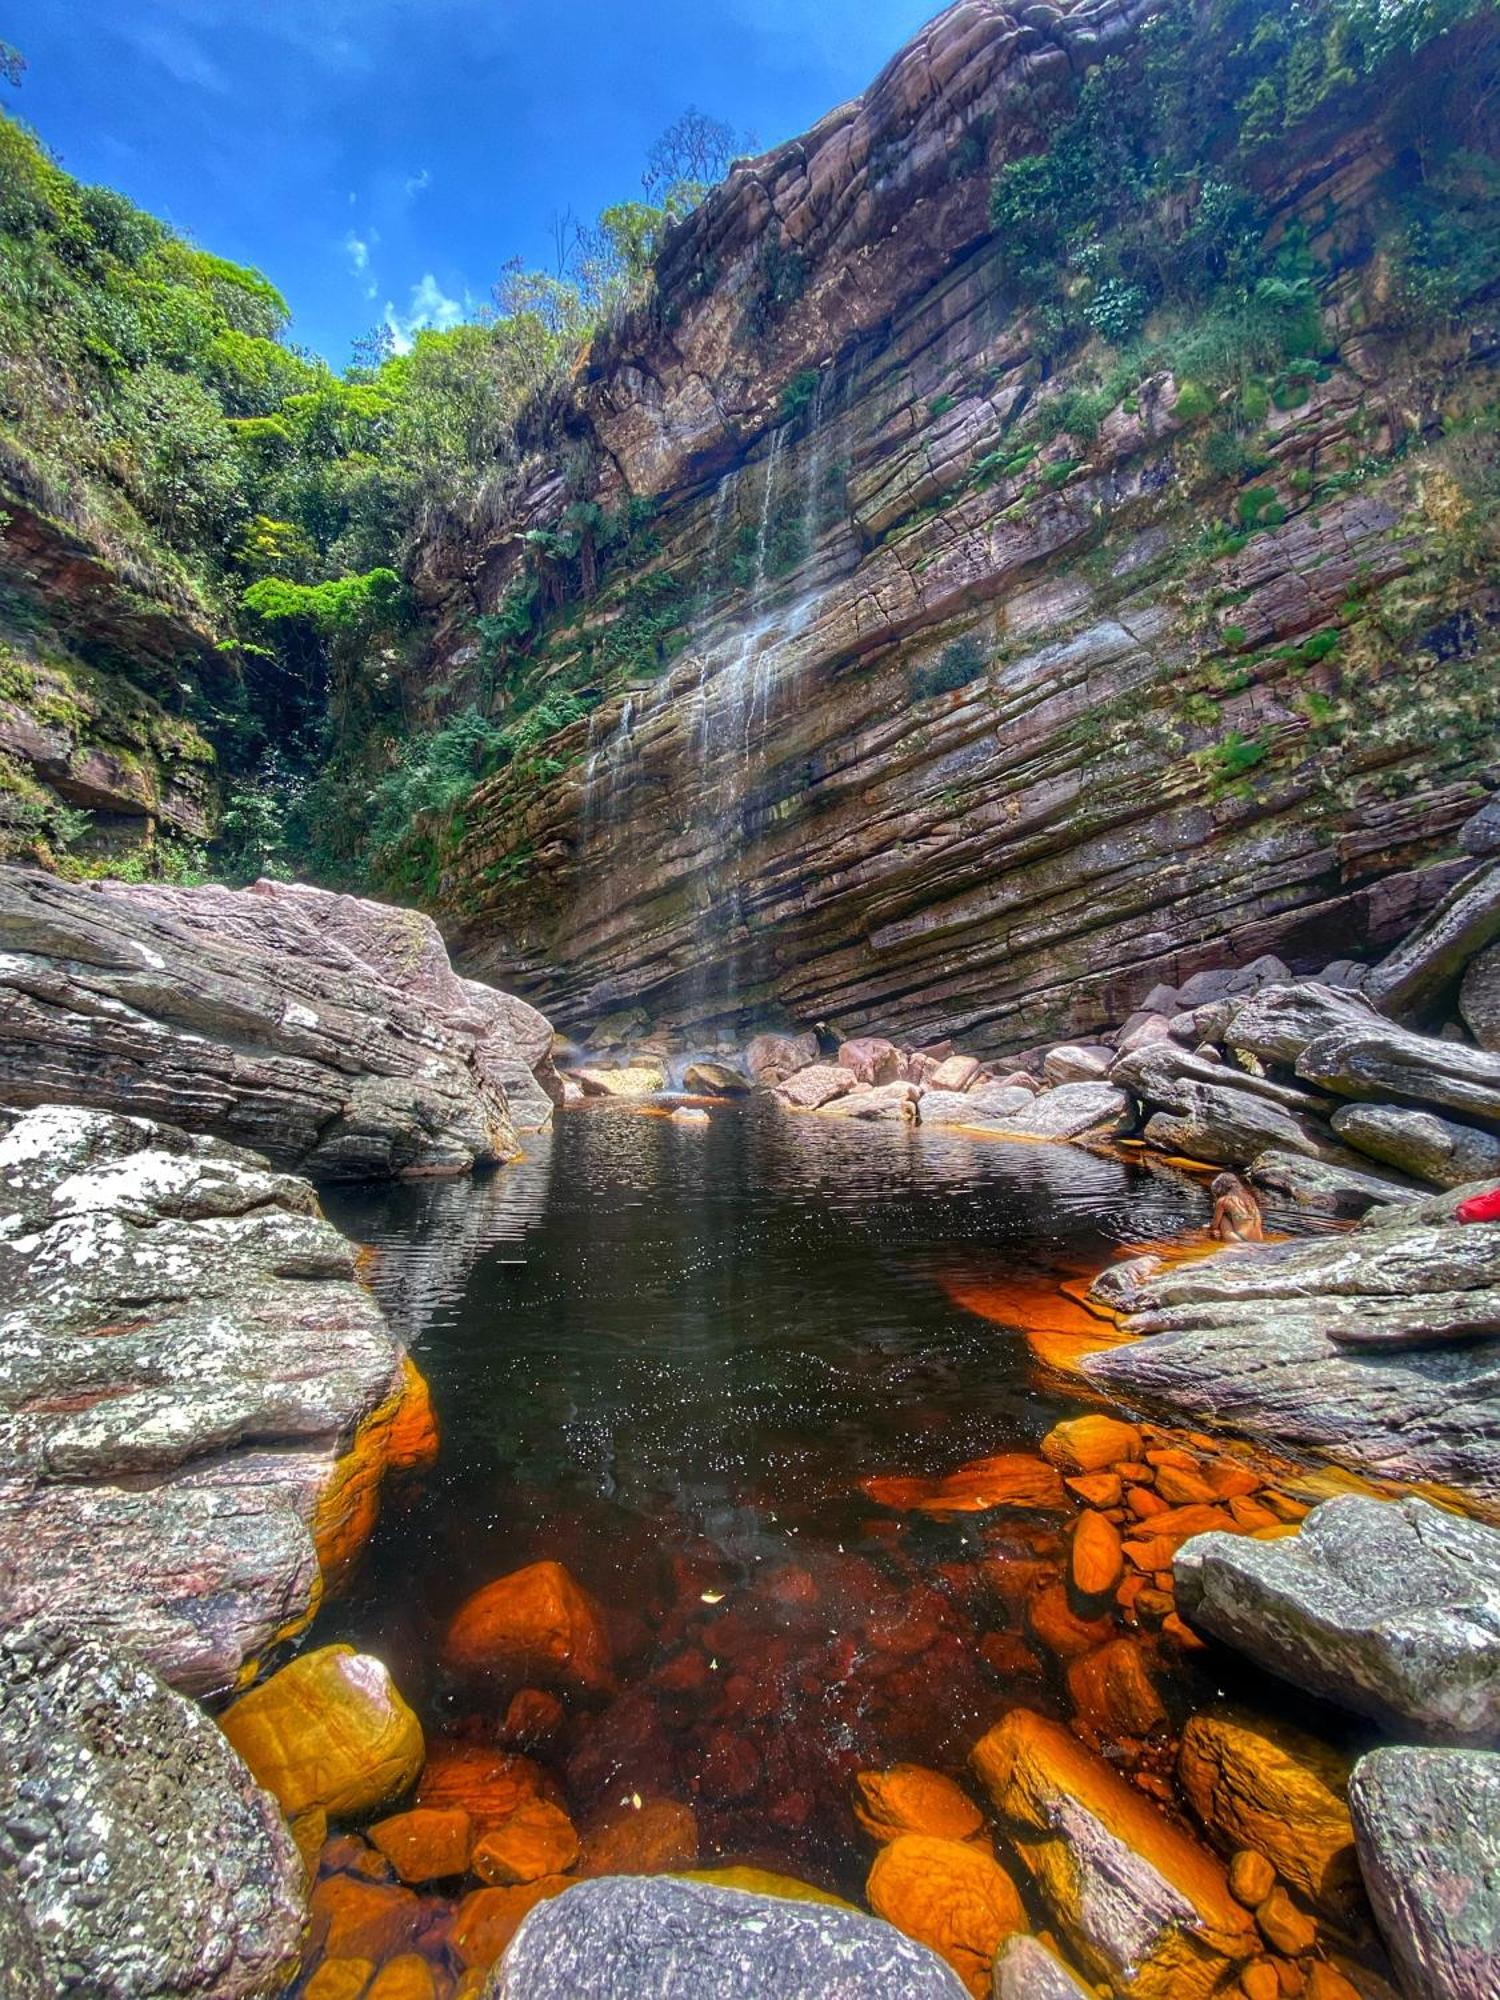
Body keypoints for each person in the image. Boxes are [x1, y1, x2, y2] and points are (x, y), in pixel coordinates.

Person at [1209, 1171, 1265, 1243]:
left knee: (1223, 1216)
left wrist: (1211, 1230)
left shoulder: (1223, 1200)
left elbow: (1214, 1226)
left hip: (1240, 1240)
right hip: (1259, 1240)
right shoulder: (1249, 1199)